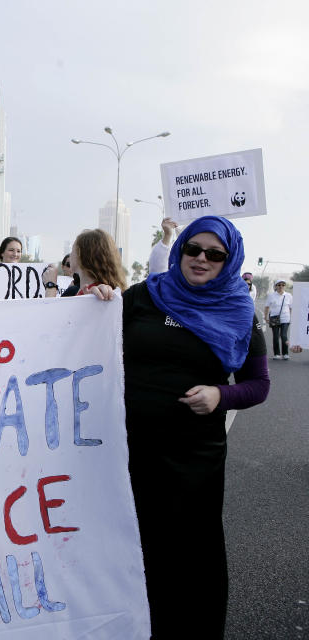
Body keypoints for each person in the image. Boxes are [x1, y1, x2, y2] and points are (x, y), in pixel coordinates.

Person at [90, 215, 269, 637]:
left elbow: (258, 385)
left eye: (214, 254)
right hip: (128, 449)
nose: (201, 259)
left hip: (193, 457)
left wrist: (220, 396)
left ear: (228, 260)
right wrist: (93, 297)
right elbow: (93, 329)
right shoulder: (146, 295)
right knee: (131, 544)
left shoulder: (241, 311)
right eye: (192, 249)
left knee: (190, 552)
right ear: (180, 249)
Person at [42, 230, 124, 298]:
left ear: (81, 256)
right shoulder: (75, 291)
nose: (70, 255)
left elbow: (51, 317)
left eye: (73, 250)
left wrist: (51, 285)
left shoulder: (101, 294)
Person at [264, 279, 292, 360]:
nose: (281, 287)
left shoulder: (288, 295)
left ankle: (285, 353)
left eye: (283, 285)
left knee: (283, 336)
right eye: (279, 285)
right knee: (276, 336)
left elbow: (291, 307)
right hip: (274, 318)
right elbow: (267, 307)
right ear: (276, 286)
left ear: (285, 286)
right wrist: (265, 317)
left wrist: (291, 317)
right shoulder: (271, 295)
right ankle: (276, 354)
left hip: (285, 318)